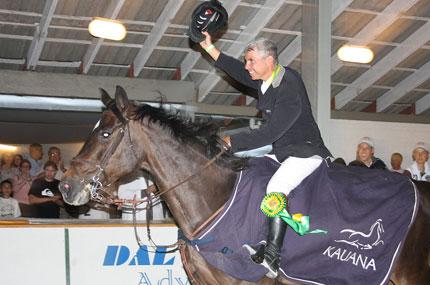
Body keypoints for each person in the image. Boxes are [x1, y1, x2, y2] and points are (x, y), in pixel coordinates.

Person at [199, 32, 331, 278]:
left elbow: (270, 132)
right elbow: (237, 71)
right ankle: (259, 236)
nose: (247, 66)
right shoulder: (266, 79)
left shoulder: (289, 84)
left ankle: (272, 255)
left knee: (276, 187)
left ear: (269, 60)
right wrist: (209, 47)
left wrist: (232, 141)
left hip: (305, 152)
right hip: (283, 152)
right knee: (252, 174)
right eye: (246, 61)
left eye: (251, 61)